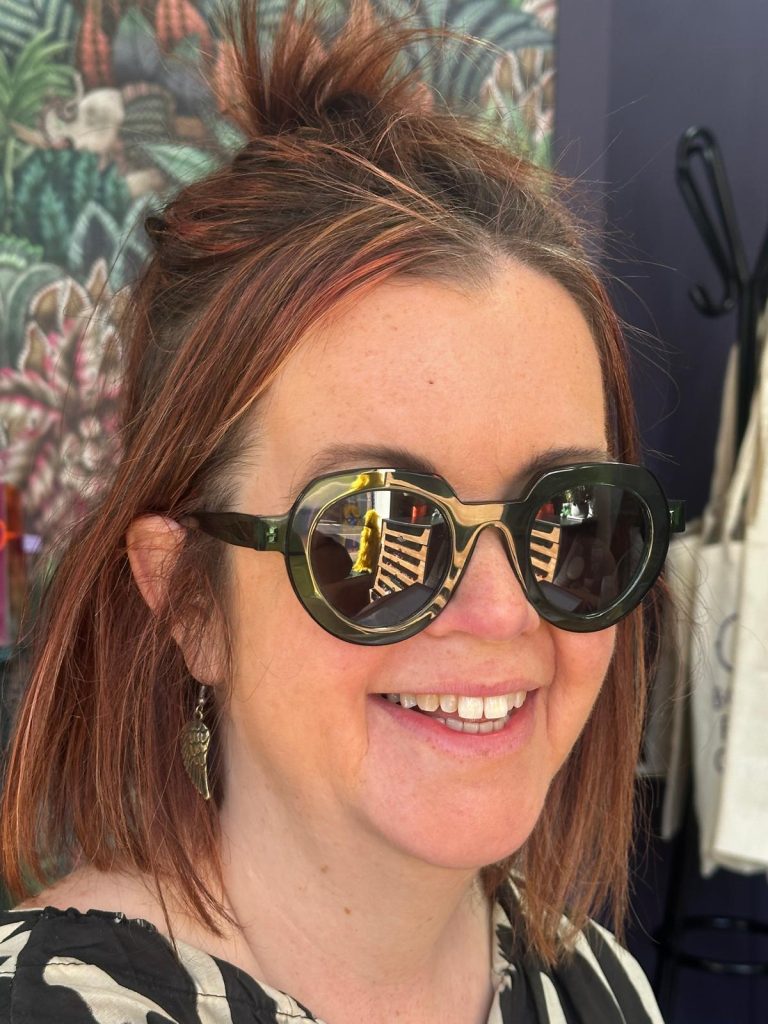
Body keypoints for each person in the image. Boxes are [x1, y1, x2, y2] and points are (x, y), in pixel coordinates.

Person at [0, 3, 682, 1021]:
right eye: (378, 527)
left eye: (568, 519)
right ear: (190, 600)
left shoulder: (600, 984)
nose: (504, 612)